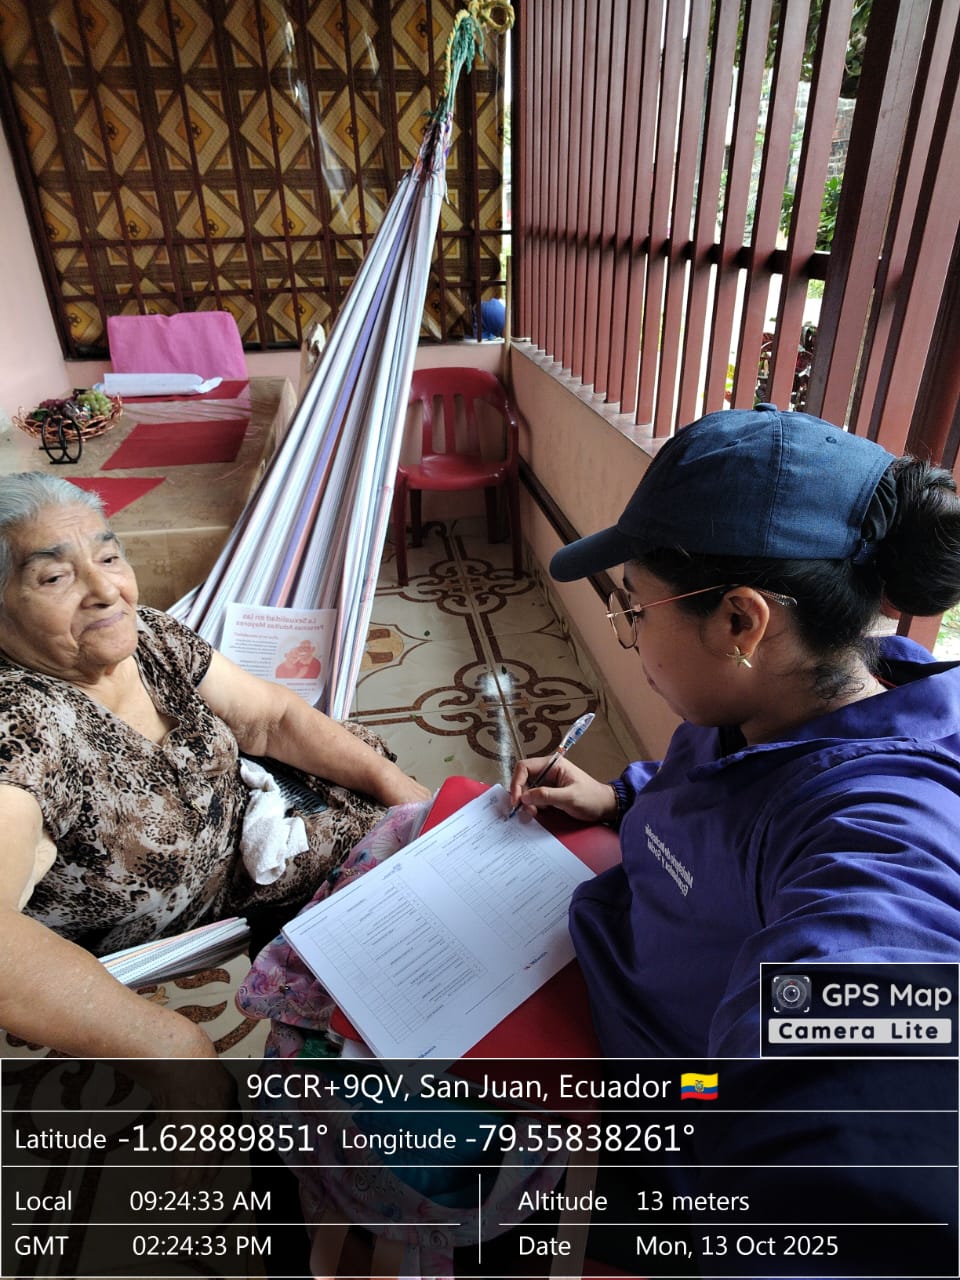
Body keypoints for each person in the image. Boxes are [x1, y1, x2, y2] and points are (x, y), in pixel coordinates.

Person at [508, 402, 960, 1058]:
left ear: (740, 623)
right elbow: (719, 789)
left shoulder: (877, 821)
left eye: (635, 607)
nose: (631, 631)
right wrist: (620, 797)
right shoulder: (757, 699)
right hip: (591, 948)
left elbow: (883, 1018)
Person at [0, 473, 431, 1061]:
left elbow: (270, 719)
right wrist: (178, 1048)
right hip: (199, 911)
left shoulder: (149, 635)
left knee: (385, 794)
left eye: (108, 557)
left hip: (247, 835)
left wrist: (407, 793)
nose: (105, 590)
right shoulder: (20, 729)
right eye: (55, 577)